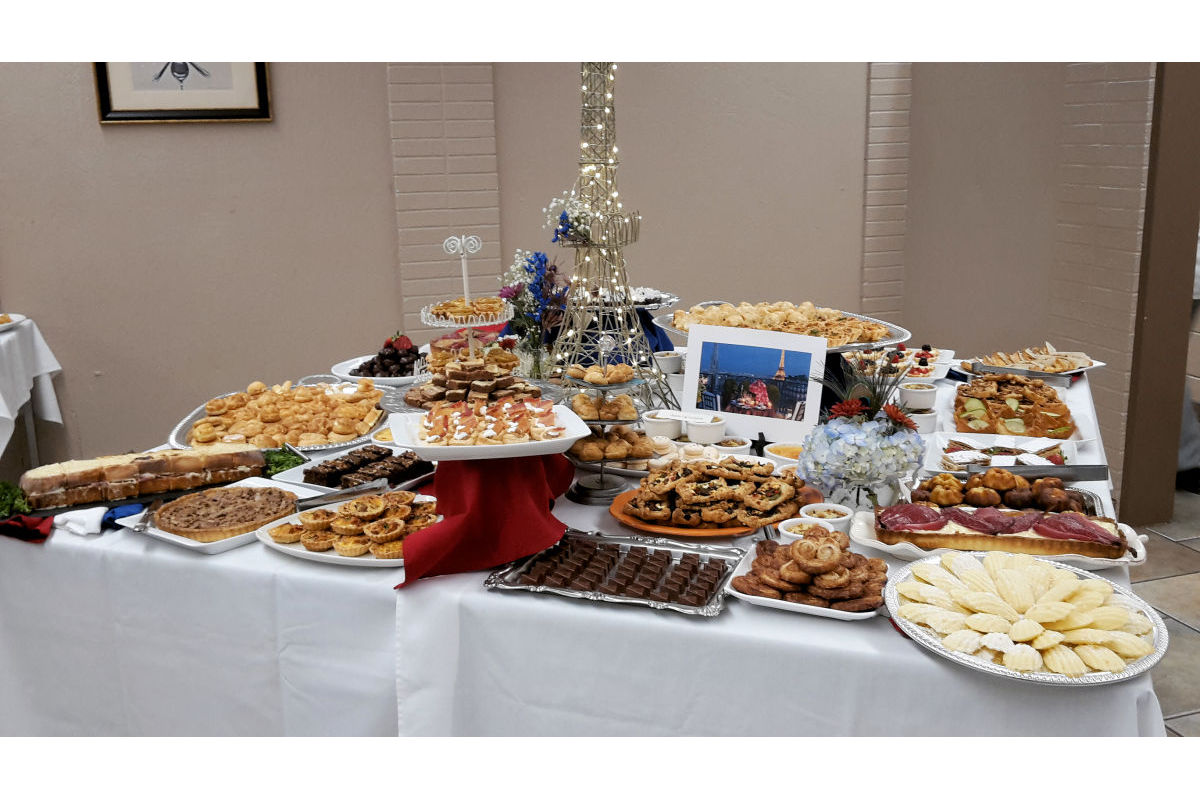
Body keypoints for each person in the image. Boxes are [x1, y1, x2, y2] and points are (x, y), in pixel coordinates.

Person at [1176, 236, 1200, 493]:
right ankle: (1188, 461)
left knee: (1165, 370)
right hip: (1186, 273)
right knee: (1168, 369)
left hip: (1182, 275)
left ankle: (1188, 464)